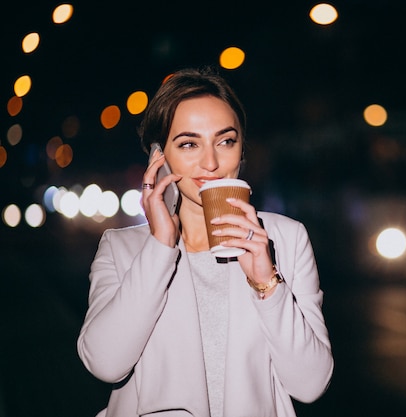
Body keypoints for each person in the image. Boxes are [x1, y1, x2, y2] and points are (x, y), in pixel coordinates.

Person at [77, 66, 334, 417]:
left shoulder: (285, 239)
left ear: (242, 150)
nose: (211, 162)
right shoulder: (122, 248)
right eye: (188, 144)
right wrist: (160, 246)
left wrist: (266, 282)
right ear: (159, 157)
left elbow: (310, 384)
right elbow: (105, 364)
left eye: (226, 141)